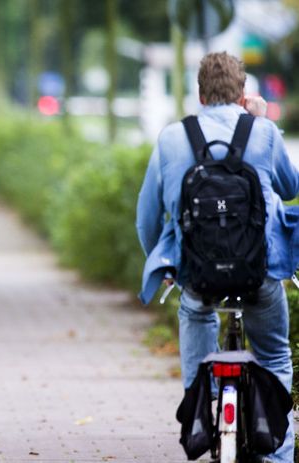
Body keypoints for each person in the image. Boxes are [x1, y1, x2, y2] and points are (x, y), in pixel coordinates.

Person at [136, 51, 297, 463]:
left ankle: (200, 407)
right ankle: (278, 457)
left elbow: (147, 218)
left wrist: (166, 262)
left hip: (196, 272)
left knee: (197, 315)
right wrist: (263, 122)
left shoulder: (173, 138)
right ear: (243, 93)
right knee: (275, 355)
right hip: (258, 272)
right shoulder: (261, 132)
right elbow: (289, 184)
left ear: (199, 92)